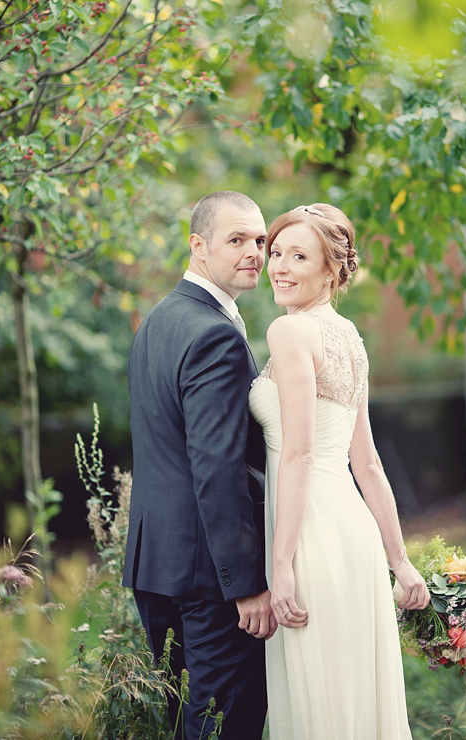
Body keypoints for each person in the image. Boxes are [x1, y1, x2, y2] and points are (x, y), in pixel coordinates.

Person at [249, 203, 430, 740]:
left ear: (331, 269)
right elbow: (367, 463)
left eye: (297, 256)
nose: (278, 266)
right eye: (275, 252)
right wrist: (399, 562)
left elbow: (300, 455)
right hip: (353, 535)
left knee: (316, 705)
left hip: (309, 534)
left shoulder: (289, 333)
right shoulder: (350, 337)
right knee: (349, 697)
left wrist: (280, 565)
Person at [123, 190, 277, 740]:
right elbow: (218, 467)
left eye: (259, 241)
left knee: (190, 721)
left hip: (156, 562)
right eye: (236, 240)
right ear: (198, 245)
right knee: (224, 724)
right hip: (209, 576)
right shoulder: (214, 334)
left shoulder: (159, 321)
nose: (254, 252)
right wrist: (246, 585)